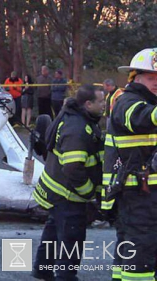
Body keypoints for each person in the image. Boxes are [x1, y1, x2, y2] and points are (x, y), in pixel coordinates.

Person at [32, 85, 105, 281]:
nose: (105, 105)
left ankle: (43, 269)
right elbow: (73, 168)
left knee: (54, 229)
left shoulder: (76, 117)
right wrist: (88, 192)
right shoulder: (78, 129)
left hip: (57, 189)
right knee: (72, 238)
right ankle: (65, 276)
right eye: (101, 102)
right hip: (68, 194)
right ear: (88, 104)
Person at [103, 48, 157, 281]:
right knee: (141, 252)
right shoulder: (128, 101)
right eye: (151, 78)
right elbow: (141, 118)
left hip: (142, 193)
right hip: (138, 194)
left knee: (131, 247)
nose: (156, 83)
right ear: (134, 78)